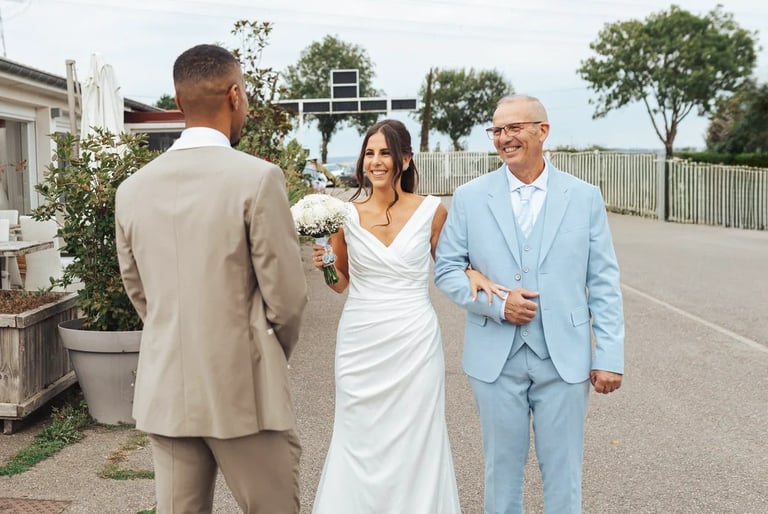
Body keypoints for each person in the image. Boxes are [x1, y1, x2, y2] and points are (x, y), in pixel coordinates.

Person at [115, 44, 307, 513]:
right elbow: (286, 297)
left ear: (178, 104)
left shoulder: (133, 190)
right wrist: (265, 347)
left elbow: (139, 290)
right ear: (235, 95)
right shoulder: (258, 178)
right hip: (245, 388)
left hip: (168, 387)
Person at [434, 95, 625, 514]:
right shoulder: (469, 197)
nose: (505, 138)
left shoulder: (584, 196)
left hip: (565, 357)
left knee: (563, 476)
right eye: (497, 131)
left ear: (543, 130)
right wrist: (497, 305)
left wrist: (609, 355)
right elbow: (447, 269)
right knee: (501, 476)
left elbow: (604, 280)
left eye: (514, 128)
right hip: (494, 360)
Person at [309, 119, 464, 514]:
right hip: (361, 341)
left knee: (418, 436)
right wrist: (325, 263)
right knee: (359, 434)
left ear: (405, 159)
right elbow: (339, 283)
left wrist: (478, 275)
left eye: (385, 153)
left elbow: (449, 269)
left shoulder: (432, 210)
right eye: (370, 153)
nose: (376, 161)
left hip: (414, 338)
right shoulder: (343, 215)